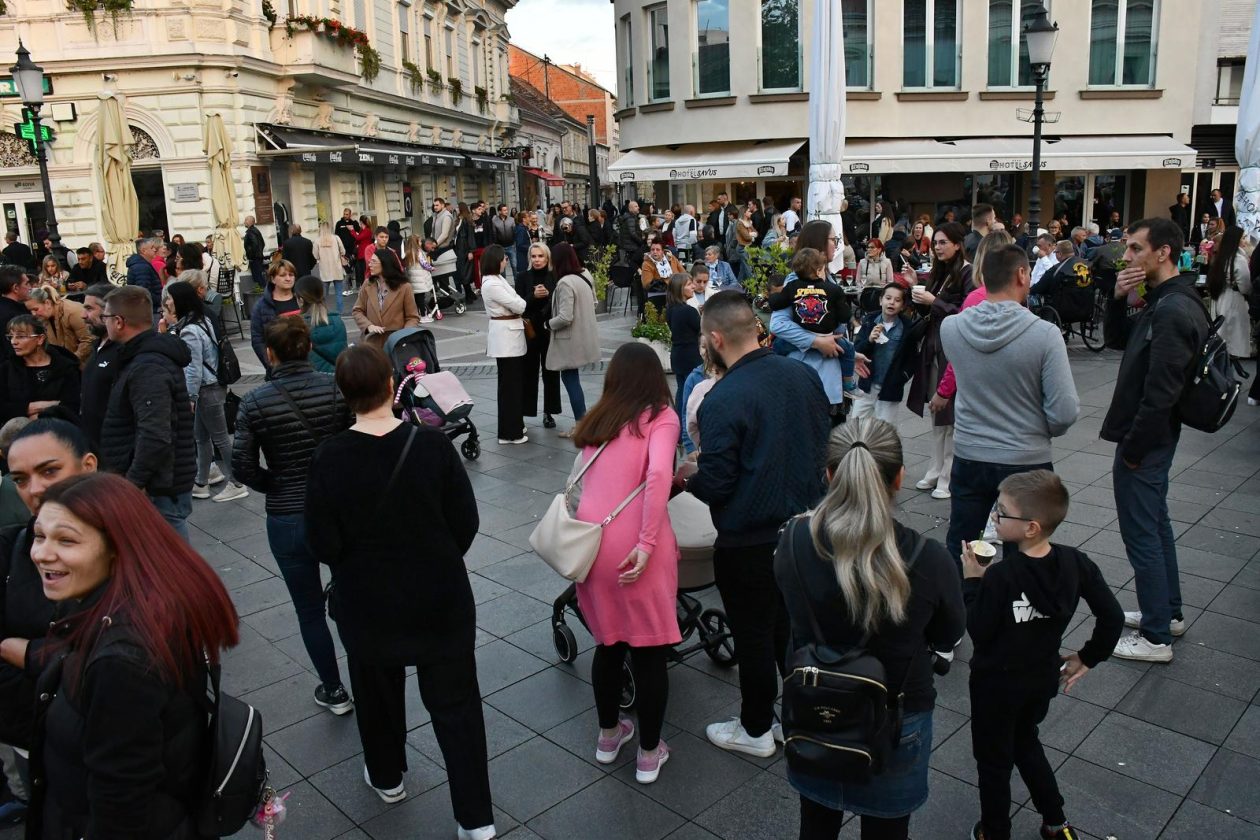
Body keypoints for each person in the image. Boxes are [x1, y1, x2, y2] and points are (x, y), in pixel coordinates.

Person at [303, 346, 495, 836]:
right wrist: (436, 557)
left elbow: (322, 542)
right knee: (457, 709)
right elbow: (465, 523)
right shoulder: (430, 446)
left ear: (344, 395)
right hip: (439, 598)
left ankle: (388, 776)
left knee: (376, 693)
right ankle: (475, 820)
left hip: (368, 604)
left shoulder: (330, 456)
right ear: (393, 386)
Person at [18, 472, 238, 838]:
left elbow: (121, 805)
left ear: (117, 547)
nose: (41, 553)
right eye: (39, 535)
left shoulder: (120, 663)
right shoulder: (152, 604)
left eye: (66, 540)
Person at [776, 418, 965, 840]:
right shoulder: (930, 559)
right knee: (888, 832)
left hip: (814, 706)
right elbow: (948, 634)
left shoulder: (792, 540)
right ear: (898, 477)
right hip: (896, 718)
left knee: (816, 825)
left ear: (828, 475)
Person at [674, 291, 830, 757]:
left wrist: (688, 480)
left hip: (749, 540)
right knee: (791, 628)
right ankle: (796, 717)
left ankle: (756, 727)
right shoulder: (802, 375)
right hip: (805, 530)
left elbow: (719, 483)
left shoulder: (723, 398)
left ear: (715, 339)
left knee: (755, 634)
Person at [963, 471, 1123, 840]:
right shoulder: (1075, 563)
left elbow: (981, 632)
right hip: (1040, 679)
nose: (994, 518)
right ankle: (1056, 824)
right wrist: (1088, 656)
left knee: (993, 761)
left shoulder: (1001, 577)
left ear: (1031, 527)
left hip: (995, 685)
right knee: (1025, 740)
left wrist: (973, 581)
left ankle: (994, 830)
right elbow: (1112, 615)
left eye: (1002, 513)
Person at [569, 342, 681, 784]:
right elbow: (655, 475)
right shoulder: (662, 417)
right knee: (650, 653)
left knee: (609, 644)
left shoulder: (601, 417)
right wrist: (648, 542)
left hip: (591, 541)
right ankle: (650, 754)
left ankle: (608, 736)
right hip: (636, 543)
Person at [234, 316, 353, 716]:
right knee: (351, 592)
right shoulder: (335, 387)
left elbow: (243, 467)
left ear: (270, 353)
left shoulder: (254, 401)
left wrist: (278, 484)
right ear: (307, 348)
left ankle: (334, 688)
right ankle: (366, 673)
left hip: (286, 517)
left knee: (307, 608)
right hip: (336, 509)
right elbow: (354, 440)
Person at [1103, 218, 1210, 663]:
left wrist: (1133, 449)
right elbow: (1117, 341)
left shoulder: (1171, 308)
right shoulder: (1171, 298)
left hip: (1147, 439)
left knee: (1143, 533)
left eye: (1134, 248)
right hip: (1152, 438)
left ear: (1162, 252)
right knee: (1156, 525)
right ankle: (1166, 615)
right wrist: (1117, 298)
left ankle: (1155, 637)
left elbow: (1161, 392)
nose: (1126, 257)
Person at [940, 243, 1080, 564]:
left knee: (963, 545)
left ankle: (964, 606)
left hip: (970, 453)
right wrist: (1040, 428)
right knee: (1027, 552)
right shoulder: (1044, 334)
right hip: (1026, 458)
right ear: (1021, 274)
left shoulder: (952, 329)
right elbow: (1064, 411)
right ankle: (1017, 610)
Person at [0, 419, 99, 824]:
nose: (35, 489)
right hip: (35, 736)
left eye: (49, 470)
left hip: (124, 742)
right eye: (20, 479)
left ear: (88, 466)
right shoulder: (13, 549)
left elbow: (137, 655)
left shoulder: (137, 546)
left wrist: (31, 653)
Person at [98, 285, 196, 538]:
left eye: (105, 317)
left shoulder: (147, 365)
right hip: (157, 481)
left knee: (170, 565)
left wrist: (134, 482)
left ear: (119, 322)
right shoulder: (139, 358)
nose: (102, 323)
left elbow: (155, 433)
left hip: (159, 485)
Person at [161, 282, 248, 503]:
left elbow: (193, 367)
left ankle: (237, 481)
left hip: (206, 389)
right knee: (201, 437)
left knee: (220, 438)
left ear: (180, 300)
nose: (167, 302)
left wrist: (189, 397)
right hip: (210, 387)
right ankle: (201, 482)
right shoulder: (202, 320)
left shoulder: (190, 329)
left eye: (170, 298)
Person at [907, 221, 974, 500]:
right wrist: (915, 287)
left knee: (949, 413)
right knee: (937, 411)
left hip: (952, 347)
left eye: (944, 242)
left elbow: (968, 310)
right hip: (934, 345)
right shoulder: (939, 271)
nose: (938, 247)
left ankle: (947, 473)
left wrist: (933, 300)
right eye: (936, 243)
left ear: (958, 244)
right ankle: (937, 468)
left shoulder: (968, 272)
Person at [769, 248, 859, 415]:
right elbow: (845, 316)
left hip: (802, 345)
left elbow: (776, 303)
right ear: (819, 269)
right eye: (833, 240)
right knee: (849, 350)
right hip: (825, 341)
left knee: (777, 347)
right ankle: (848, 383)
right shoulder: (832, 290)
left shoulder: (792, 287)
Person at [546, 243, 600, 438]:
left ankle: (580, 423)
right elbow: (594, 302)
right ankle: (582, 421)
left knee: (570, 378)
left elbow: (565, 317)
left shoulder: (564, 283)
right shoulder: (585, 276)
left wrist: (548, 324)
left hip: (570, 339)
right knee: (572, 377)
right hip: (585, 335)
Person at [481, 245, 529, 444]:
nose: (505, 261)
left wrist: (518, 301)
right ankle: (510, 432)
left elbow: (517, 300)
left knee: (513, 384)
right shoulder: (492, 284)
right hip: (506, 338)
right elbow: (520, 304)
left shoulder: (497, 280)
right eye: (503, 259)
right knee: (509, 386)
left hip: (510, 334)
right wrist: (518, 302)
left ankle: (515, 424)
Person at [0, 316, 81, 426]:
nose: (14, 342)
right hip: (17, 437)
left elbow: (72, 406)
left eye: (20, 336)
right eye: (10, 337)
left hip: (58, 432)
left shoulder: (65, 367)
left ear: (40, 339)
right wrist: (40, 406)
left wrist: (38, 417)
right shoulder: (6, 369)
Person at [851, 284, 914, 424]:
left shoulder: (907, 328)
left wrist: (901, 377)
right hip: (867, 385)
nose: (892, 302)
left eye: (897, 300)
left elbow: (911, 359)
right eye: (888, 298)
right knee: (856, 425)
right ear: (881, 301)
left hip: (890, 388)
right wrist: (869, 340)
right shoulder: (869, 322)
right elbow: (857, 350)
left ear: (903, 306)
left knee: (885, 431)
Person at [516, 243, 563, 429]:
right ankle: (525, 411)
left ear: (547, 258)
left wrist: (548, 295)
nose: (537, 260)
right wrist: (533, 296)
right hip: (530, 331)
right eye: (533, 256)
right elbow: (518, 305)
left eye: (540, 256)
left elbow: (559, 304)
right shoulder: (522, 277)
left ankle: (549, 412)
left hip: (549, 331)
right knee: (529, 372)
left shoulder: (555, 277)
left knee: (551, 372)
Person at [77, 283, 120, 450]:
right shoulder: (97, 346)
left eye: (89, 309)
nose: (83, 315)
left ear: (108, 311)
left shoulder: (122, 350)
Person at [353, 246, 420, 351]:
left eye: (374, 262)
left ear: (385, 264)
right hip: (371, 343)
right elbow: (357, 310)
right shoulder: (368, 284)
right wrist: (368, 326)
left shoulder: (404, 287)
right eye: (370, 261)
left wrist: (404, 337)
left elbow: (412, 317)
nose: (369, 264)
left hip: (396, 344)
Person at [1205, 225, 1252, 360]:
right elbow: (1245, 286)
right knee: (1233, 338)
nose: (1245, 241)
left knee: (1223, 333)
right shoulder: (1238, 259)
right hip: (1236, 300)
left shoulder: (1222, 257)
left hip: (1222, 296)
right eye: (1243, 238)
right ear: (1236, 240)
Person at [251, 259, 301, 373]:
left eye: (291, 275)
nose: (288, 278)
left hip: (306, 367)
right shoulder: (261, 306)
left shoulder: (302, 300)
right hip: (278, 369)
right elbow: (257, 339)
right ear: (273, 279)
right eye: (283, 275)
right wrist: (271, 364)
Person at [24, 286, 92, 366]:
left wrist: (71, 361)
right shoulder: (44, 318)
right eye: (30, 311)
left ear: (47, 303)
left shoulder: (73, 312)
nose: (33, 314)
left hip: (84, 364)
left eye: (35, 309)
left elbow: (88, 340)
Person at [664, 273, 702, 415]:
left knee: (681, 391)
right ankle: (686, 428)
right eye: (688, 284)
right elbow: (701, 329)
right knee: (691, 394)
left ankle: (679, 425)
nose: (693, 286)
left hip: (677, 354)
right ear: (680, 289)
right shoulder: (688, 311)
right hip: (690, 355)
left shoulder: (671, 309)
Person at [294, 273, 347, 374]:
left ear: (300, 300)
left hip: (314, 381)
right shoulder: (338, 321)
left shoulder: (299, 326)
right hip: (338, 377)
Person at [315, 220, 348, 315]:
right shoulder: (336, 238)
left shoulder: (317, 240)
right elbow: (343, 251)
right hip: (337, 269)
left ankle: (324, 312)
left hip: (325, 271)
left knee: (324, 295)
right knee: (338, 293)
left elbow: (315, 255)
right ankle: (340, 312)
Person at [404, 234, 438, 324]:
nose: (420, 242)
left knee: (416, 299)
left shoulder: (408, 252)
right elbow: (424, 264)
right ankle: (423, 316)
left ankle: (418, 314)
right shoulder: (418, 252)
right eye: (419, 241)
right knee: (421, 299)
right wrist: (431, 268)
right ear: (415, 243)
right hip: (420, 279)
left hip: (413, 279)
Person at [125, 237, 163, 315]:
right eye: (152, 248)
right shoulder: (142, 267)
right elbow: (144, 292)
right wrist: (161, 300)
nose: (155, 250)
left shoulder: (142, 265)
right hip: (150, 311)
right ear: (143, 251)